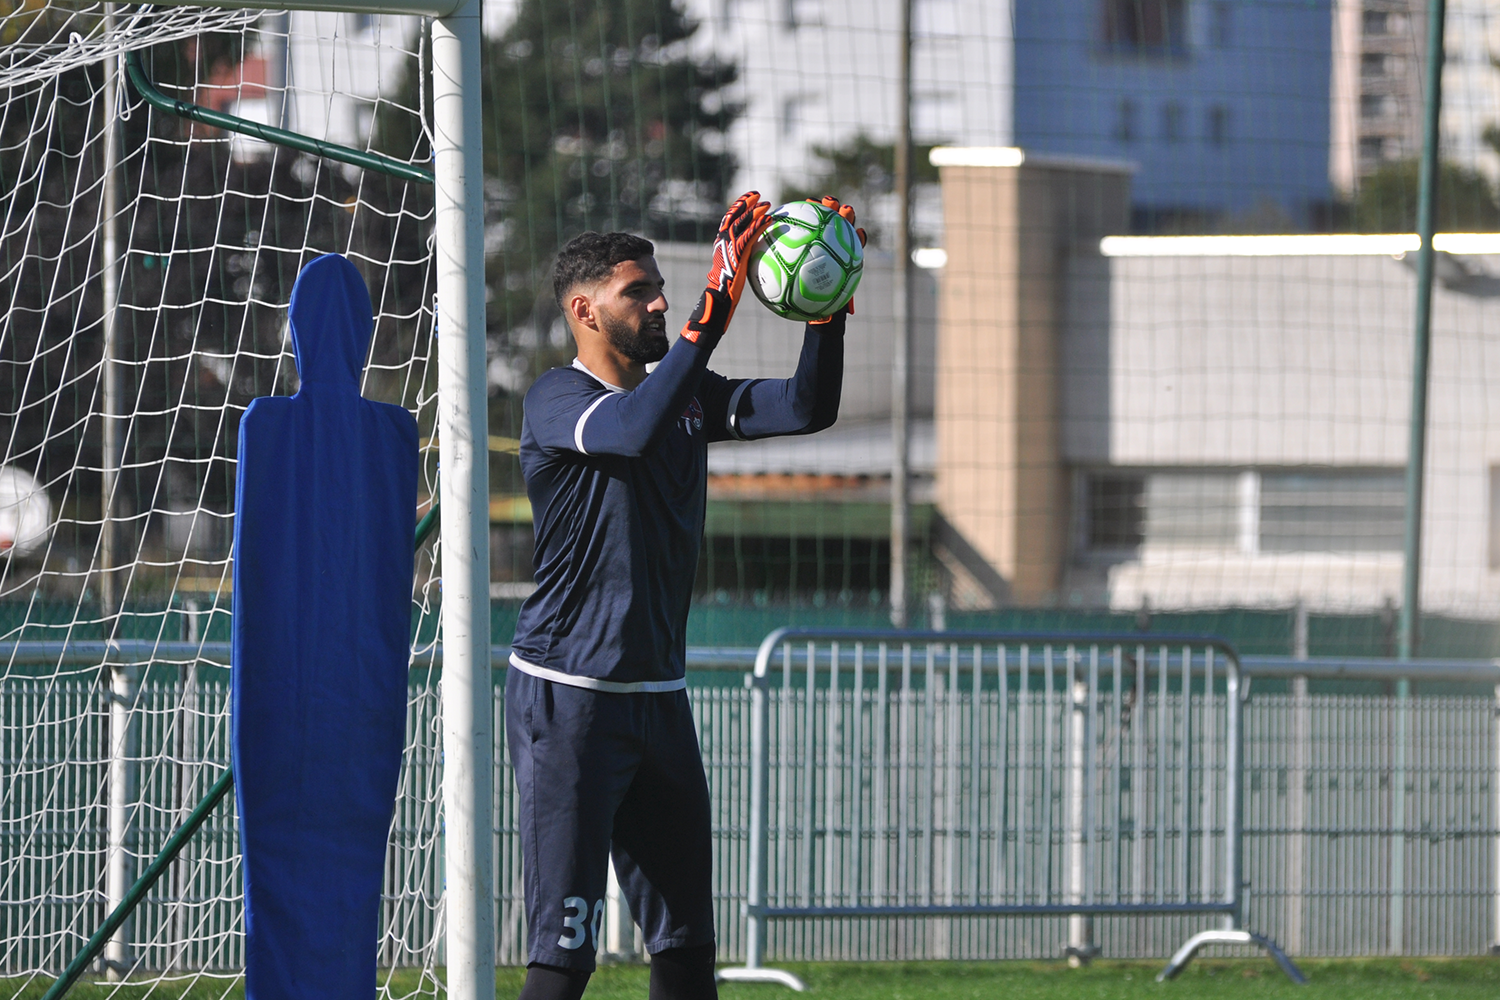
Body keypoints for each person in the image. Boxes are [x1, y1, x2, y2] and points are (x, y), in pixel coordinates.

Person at [506, 191, 863, 1000]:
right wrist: (715, 307)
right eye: (639, 291)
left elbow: (806, 407)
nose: (661, 302)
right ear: (584, 311)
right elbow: (632, 429)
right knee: (563, 961)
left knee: (687, 952)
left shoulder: (688, 396)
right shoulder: (557, 399)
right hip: (570, 702)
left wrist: (824, 307)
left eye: (663, 288)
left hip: (659, 701)